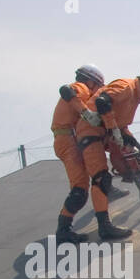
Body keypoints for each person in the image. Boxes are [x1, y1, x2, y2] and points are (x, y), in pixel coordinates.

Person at [74, 68, 140, 240]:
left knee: (133, 158)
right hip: (91, 131)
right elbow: (103, 103)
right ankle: (104, 227)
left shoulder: (134, 98)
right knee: (101, 178)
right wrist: (113, 129)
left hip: (107, 132)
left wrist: (130, 138)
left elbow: (121, 123)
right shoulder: (126, 87)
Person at [50, 64, 104, 245]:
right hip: (67, 141)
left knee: (93, 174)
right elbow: (67, 91)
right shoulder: (80, 88)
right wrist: (87, 113)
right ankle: (63, 230)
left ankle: (107, 189)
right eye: (97, 86)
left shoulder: (80, 91)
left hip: (68, 139)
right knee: (80, 189)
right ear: (90, 81)